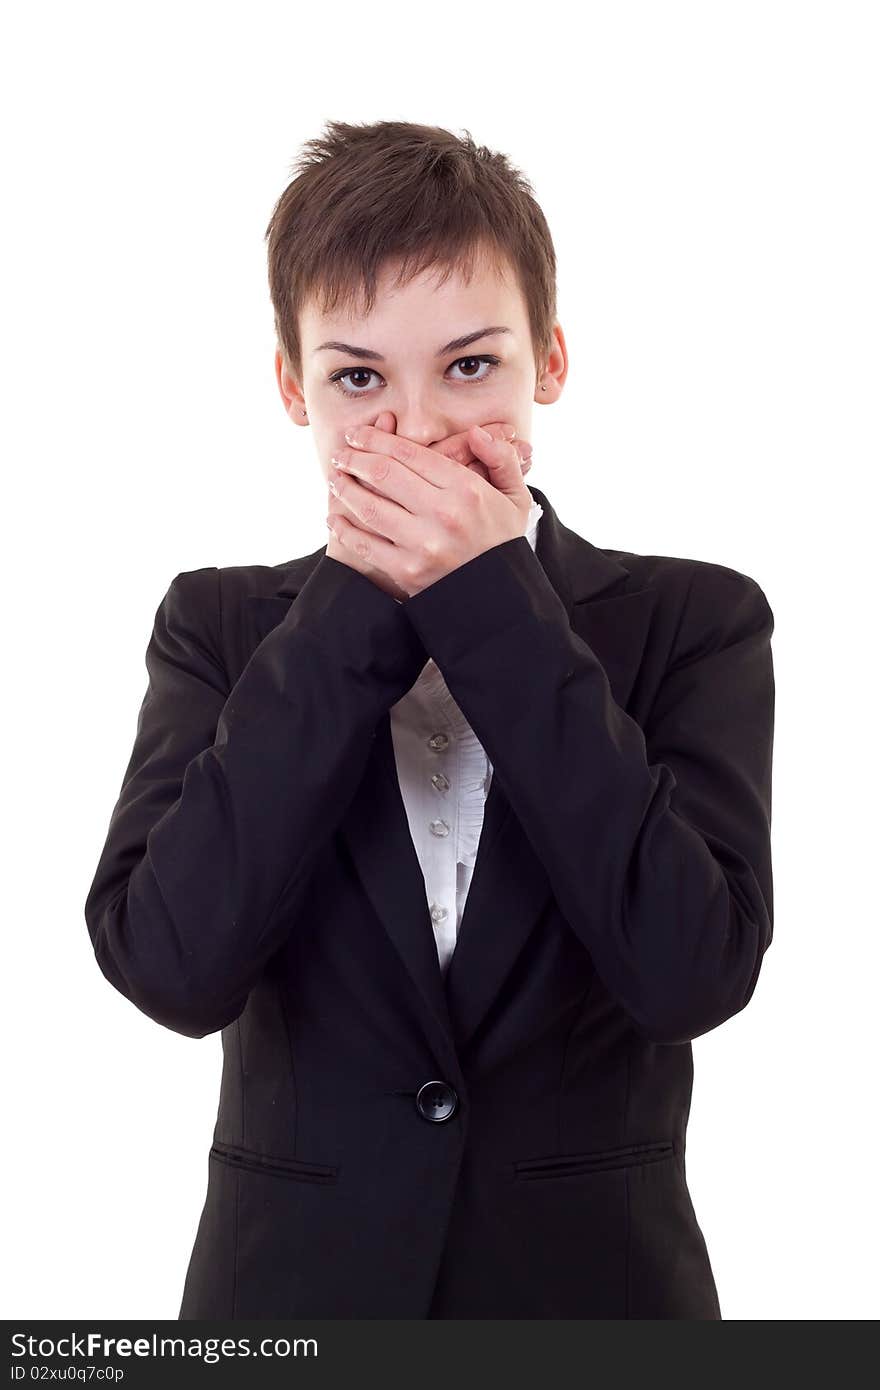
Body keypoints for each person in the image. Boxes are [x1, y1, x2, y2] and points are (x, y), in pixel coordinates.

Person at [84, 119, 775, 1320]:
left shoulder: (693, 619)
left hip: (596, 1303)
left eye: (468, 367)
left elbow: (691, 972)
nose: (416, 432)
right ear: (294, 387)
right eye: (359, 378)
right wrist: (357, 606)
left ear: (547, 359)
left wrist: (493, 610)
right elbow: (171, 967)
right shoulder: (221, 626)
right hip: (287, 1312)